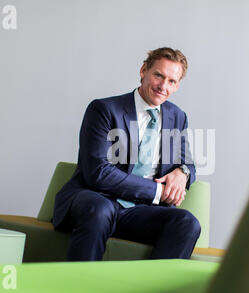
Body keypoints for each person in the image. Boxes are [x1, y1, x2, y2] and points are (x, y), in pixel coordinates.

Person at [53, 47, 200, 261]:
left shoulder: (177, 117)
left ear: (177, 85)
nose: (163, 86)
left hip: (140, 212)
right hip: (98, 199)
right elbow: (98, 172)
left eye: (171, 81)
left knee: (187, 223)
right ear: (143, 71)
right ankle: (78, 288)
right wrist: (157, 192)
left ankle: (152, 292)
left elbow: (188, 163)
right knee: (100, 210)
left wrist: (183, 172)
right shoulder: (104, 109)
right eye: (158, 75)